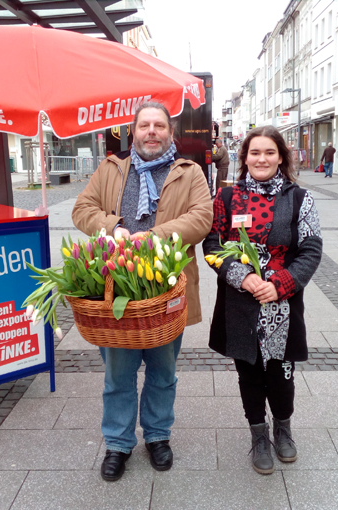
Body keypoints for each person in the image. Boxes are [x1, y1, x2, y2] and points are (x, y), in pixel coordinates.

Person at [72, 101, 213, 482]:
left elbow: (202, 217)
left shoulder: (190, 172)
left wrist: (153, 239)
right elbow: (82, 209)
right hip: (118, 288)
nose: (152, 131)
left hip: (168, 289)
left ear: (170, 132)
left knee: (163, 371)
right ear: (133, 131)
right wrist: (113, 227)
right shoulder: (111, 168)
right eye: (144, 125)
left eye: (159, 126)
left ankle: (157, 436)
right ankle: (118, 443)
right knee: (118, 374)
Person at [203, 125, 322, 475]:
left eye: (270, 152)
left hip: (282, 307)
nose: (262, 158)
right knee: (250, 375)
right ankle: (258, 434)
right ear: (245, 158)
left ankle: (283, 430)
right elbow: (212, 246)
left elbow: (311, 250)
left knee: (282, 375)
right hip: (241, 305)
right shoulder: (226, 199)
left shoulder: (300, 199)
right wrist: (245, 278)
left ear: (281, 157)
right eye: (255, 152)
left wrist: (282, 283)